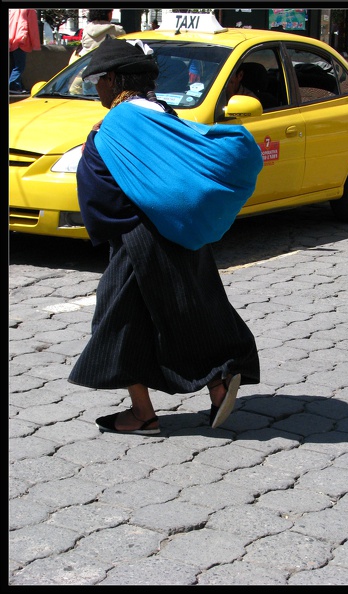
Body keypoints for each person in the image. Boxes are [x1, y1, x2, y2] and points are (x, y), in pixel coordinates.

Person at [68, 37, 260, 435]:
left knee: (118, 325)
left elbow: (107, 192)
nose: (96, 88)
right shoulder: (160, 112)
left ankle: (143, 414)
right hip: (179, 233)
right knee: (188, 311)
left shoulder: (121, 121)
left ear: (117, 79)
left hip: (138, 241)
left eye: (98, 80)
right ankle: (218, 388)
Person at [9, 8, 41, 94]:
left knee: (13, 66)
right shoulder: (29, 10)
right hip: (21, 41)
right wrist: (35, 45)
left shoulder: (13, 10)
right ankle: (13, 85)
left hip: (11, 41)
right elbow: (32, 27)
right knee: (19, 66)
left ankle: (17, 85)